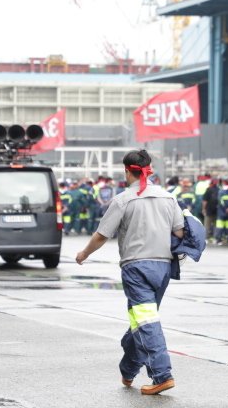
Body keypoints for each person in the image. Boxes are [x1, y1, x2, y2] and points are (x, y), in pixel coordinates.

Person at [75, 149, 184, 396]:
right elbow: (179, 233)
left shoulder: (123, 200)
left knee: (145, 321)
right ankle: (128, 369)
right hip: (164, 268)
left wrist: (83, 254)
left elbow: (102, 235)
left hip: (137, 268)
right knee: (143, 320)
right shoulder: (168, 198)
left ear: (127, 171)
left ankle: (162, 375)